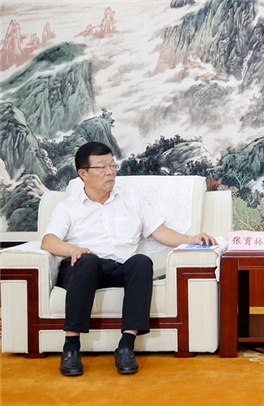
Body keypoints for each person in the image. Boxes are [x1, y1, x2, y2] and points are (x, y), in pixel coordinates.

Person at [41, 142, 217, 376]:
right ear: (83, 173)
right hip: (82, 267)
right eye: (102, 167)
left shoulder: (131, 199)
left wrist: (191, 238)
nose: (110, 172)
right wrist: (73, 249)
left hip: (119, 267)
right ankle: (71, 347)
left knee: (141, 262)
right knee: (88, 261)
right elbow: (48, 241)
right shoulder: (68, 207)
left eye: (112, 165)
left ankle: (126, 346)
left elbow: (159, 231)